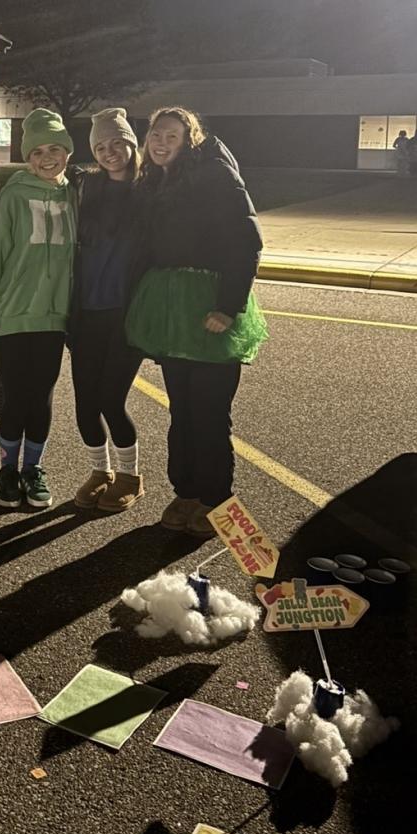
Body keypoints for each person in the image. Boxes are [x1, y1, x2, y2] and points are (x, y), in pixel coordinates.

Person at [125, 108, 267, 537]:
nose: (161, 143)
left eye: (172, 135)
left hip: (209, 308)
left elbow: (247, 240)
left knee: (209, 412)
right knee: (182, 410)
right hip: (171, 311)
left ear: (190, 140)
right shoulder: (154, 182)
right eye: (156, 135)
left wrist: (228, 306)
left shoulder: (215, 174)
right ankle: (186, 491)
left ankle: (215, 498)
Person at [0, 109, 76, 510]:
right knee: (16, 396)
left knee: (42, 396)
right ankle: (7, 470)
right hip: (12, 315)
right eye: (37, 152)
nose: (47, 158)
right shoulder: (13, 197)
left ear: (67, 152)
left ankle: (33, 469)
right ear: (28, 158)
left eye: (54, 149)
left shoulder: (73, 196)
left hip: (53, 317)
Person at [70, 108, 145, 513]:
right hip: (86, 312)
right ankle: (101, 472)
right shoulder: (88, 189)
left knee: (111, 400)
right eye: (100, 146)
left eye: (117, 142)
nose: (109, 152)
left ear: (131, 143)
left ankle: (131, 476)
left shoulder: (150, 191)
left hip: (125, 314)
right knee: (85, 404)